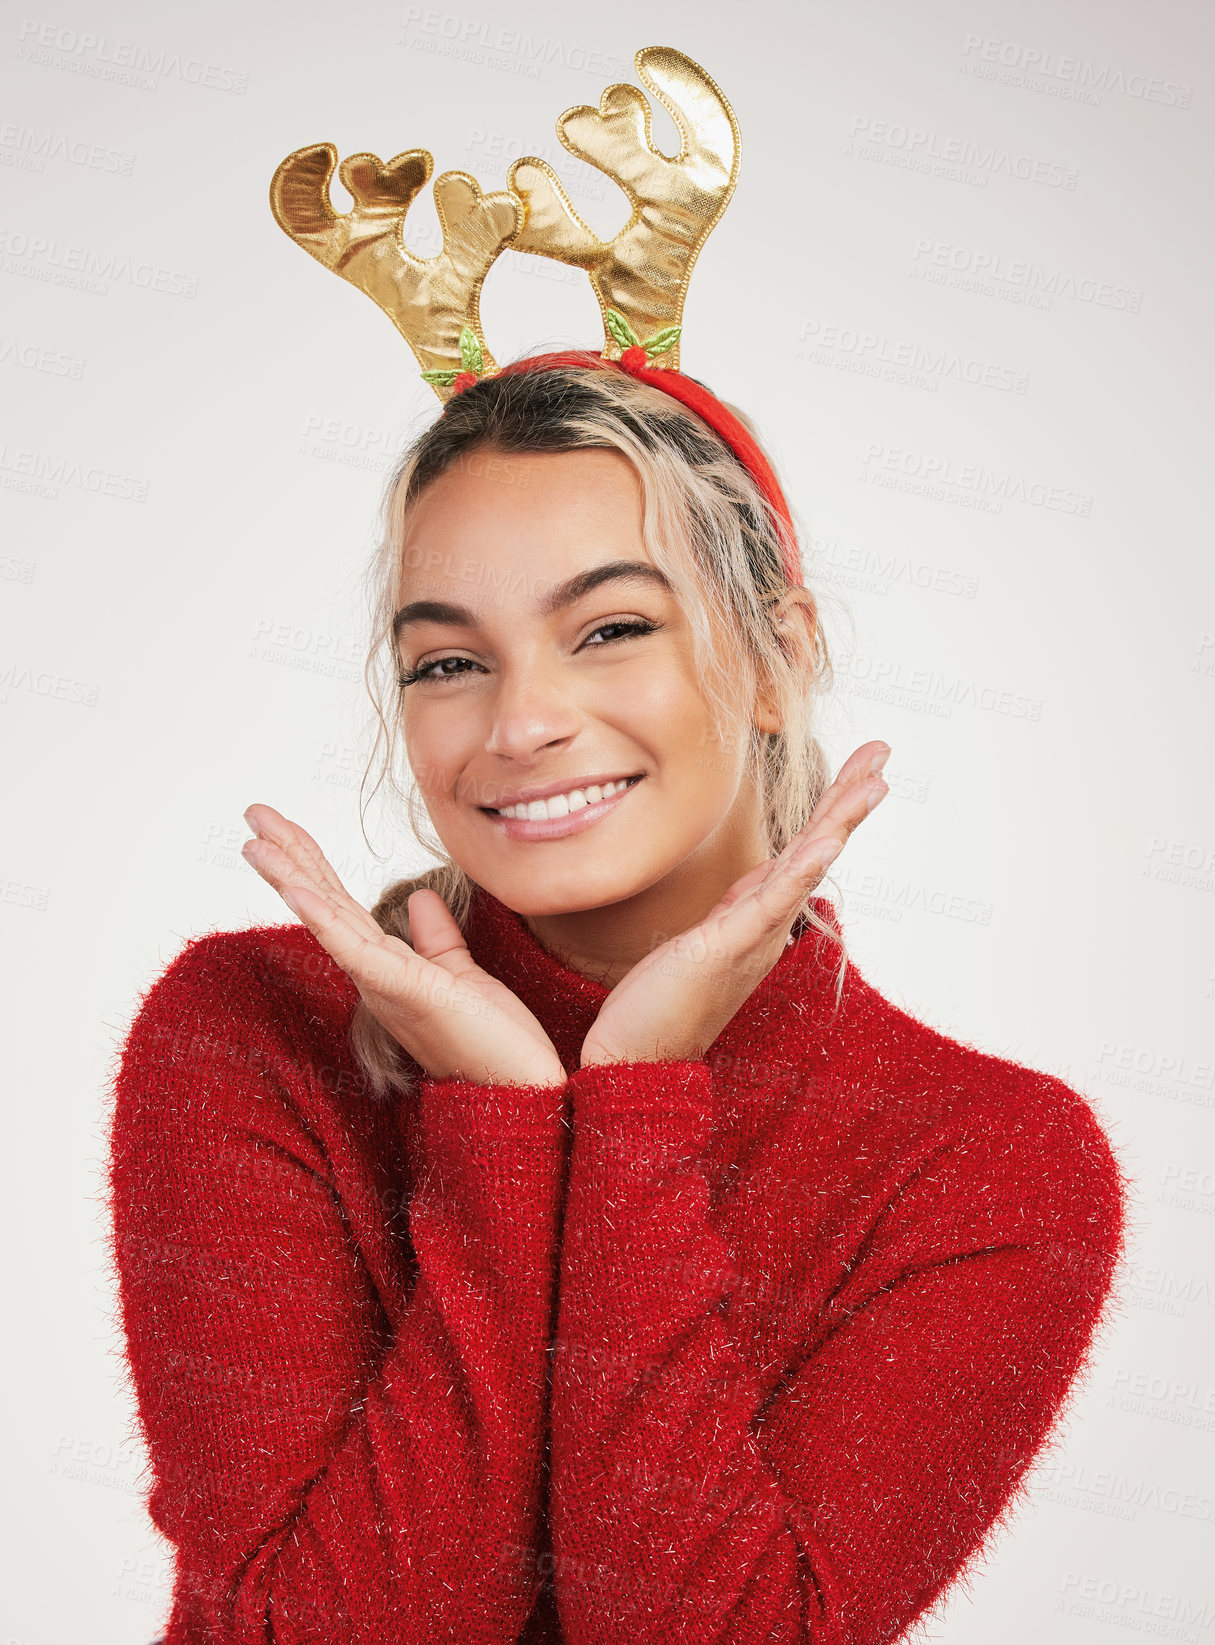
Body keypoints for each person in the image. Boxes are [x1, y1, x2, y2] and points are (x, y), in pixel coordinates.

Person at [106, 354, 1128, 1645]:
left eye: (611, 629)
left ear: (777, 658)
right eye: (445, 662)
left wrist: (633, 1106)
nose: (523, 721)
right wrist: (507, 1124)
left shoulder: (992, 1164)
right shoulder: (255, 1028)